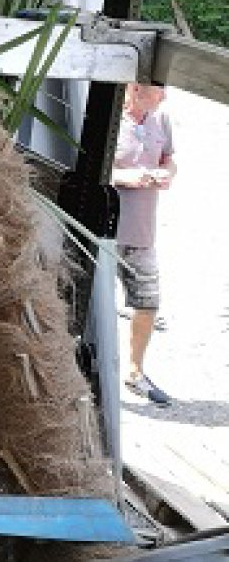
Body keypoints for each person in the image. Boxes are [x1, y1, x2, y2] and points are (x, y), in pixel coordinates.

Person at [111, 82, 176, 406]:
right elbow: (86, 169)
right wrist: (127, 178)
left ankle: (135, 372)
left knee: (148, 302)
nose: (164, 96)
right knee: (85, 305)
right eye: (156, 90)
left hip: (142, 232)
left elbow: (170, 160)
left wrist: (166, 174)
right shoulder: (111, 119)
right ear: (135, 89)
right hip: (106, 231)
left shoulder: (161, 119)